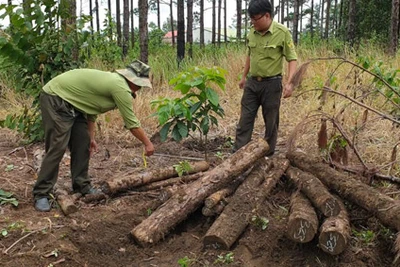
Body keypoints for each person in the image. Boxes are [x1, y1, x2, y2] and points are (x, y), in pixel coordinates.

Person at [33, 60, 155, 212]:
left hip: (73, 104)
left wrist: (91, 138)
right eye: (140, 85)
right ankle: (41, 193)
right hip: (55, 97)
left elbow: (91, 109)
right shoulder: (120, 87)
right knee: (57, 146)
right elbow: (132, 123)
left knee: (83, 143)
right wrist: (148, 143)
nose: (140, 89)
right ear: (133, 81)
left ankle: (82, 185)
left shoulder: (115, 83)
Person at [234, 0, 297, 156]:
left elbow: (292, 59)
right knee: (245, 121)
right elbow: (250, 55)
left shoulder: (282, 33)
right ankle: (238, 156)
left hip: (272, 85)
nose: (253, 22)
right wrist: (243, 77)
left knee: (271, 122)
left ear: (267, 15)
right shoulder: (252, 32)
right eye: (251, 19)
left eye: (255, 19)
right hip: (252, 83)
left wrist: (290, 83)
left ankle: (267, 156)